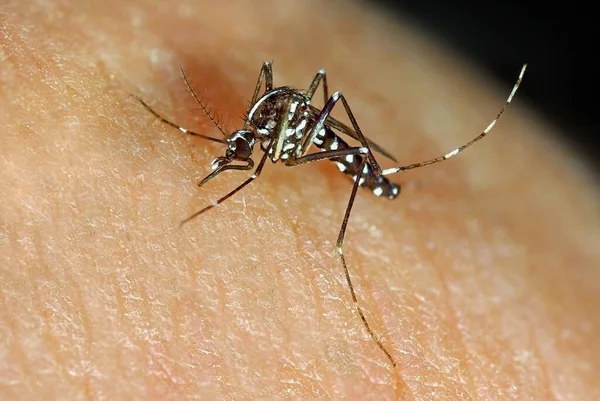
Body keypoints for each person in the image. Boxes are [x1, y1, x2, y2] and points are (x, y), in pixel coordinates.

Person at [1, 1, 599, 399]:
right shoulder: (253, 125)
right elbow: (259, 119)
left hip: (328, 142)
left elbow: (287, 129)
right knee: (292, 96)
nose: (237, 150)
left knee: (321, 105)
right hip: (289, 122)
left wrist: (348, 153)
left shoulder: (271, 140)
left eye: (239, 145)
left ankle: (355, 214)